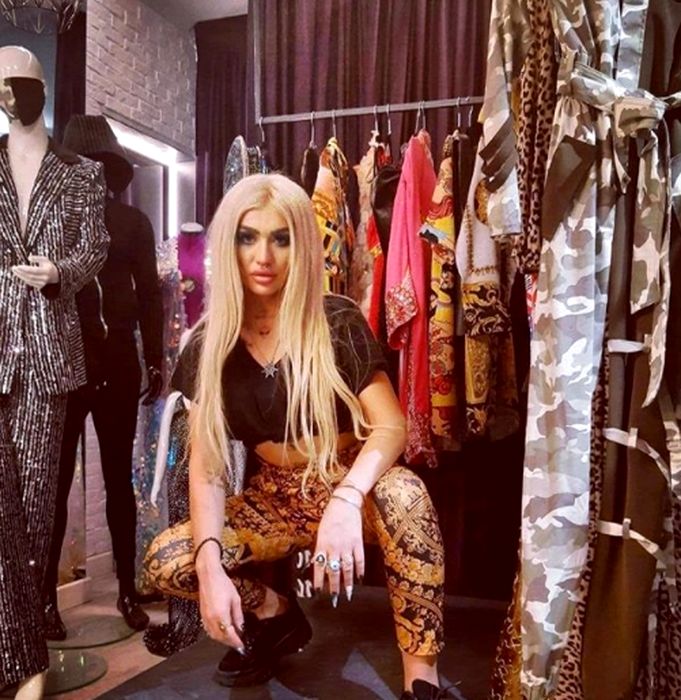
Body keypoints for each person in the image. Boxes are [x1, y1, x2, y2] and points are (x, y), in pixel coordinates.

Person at [144, 173, 452, 700]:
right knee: (169, 560)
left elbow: (391, 425)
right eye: (248, 237)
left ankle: (421, 679)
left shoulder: (335, 320)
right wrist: (210, 566)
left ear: (302, 246)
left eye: (281, 238)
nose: (263, 256)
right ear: (229, 243)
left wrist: (347, 498)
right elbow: (208, 467)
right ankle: (276, 615)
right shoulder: (208, 345)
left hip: (349, 480)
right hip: (275, 497)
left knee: (406, 495)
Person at [0, 46, 108, 699]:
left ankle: (28, 653)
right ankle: (20, 648)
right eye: (0, 85)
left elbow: (94, 247)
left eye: (19, 83)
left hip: (47, 352)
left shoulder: (81, 173)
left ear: (40, 87)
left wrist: (59, 273)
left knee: (37, 507)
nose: (10, 94)